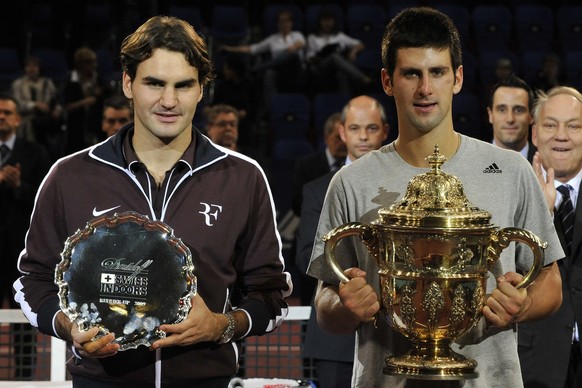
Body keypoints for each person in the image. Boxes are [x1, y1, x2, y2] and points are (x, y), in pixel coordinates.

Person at [13, 15, 292, 387]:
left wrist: (220, 326)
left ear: (201, 89)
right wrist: (66, 325)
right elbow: (33, 281)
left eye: (183, 85)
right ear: (128, 84)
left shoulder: (242, 177)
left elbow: (270, 294)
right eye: (154, 83)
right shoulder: (70, 175)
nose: (169, 101)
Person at [306, 7, 563, 388]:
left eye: (437, 72)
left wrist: (523, 304)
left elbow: (551, 283)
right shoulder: (350, 181)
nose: (425, 88)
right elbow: (325, 300)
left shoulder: (511, 170)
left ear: (457, 78)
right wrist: (344, 306)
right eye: (411, 73)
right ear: (388, 81)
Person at [297, 95, 388, 388]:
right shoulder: (316, 190)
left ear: (385, 131)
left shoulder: (407, 186)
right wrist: (356, 271)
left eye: (371, 128)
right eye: (355, 128)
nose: (363, 136)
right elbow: (306, 255)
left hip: (393, 335)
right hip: (335, 340)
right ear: (342, 132)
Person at [518, 86, 582, 388]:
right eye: (550, 125)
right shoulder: (514, 196)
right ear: (534, 134)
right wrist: (544, 216)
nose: (561, 136)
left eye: (574, 126)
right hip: (536, 361)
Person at [0, 93, 51, 379]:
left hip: (22, 251)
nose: (2, 117)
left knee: (24, 316)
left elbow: (44, 204)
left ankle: (24, 378)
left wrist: (19, 185)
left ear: (18, 119)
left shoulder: (36, 153)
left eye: (7, 112)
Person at [220, 9, 306, 106]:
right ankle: (270, 108)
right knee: (269, 74)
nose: (284, 23)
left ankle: (258, 68)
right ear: (277, 23)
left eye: (286, 21)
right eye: (281, 21)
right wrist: (230, 48)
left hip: (296, 70)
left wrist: (291, 48)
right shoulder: (273, 39)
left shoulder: (297, 35)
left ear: (291, 23)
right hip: (280, 71)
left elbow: (299, 44)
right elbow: (253, 49)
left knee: (292, 54)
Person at [291, 113, 346, 218]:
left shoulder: (355, 165)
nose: (343, 143)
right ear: (326, 138)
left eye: (346, 138)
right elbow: (297, 205)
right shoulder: (306, 165)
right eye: (338, 138)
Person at [306, 10, 370, 95]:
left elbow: (360, 44)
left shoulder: (339, 36)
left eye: (329, 21)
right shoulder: (313, 37)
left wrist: (353, 51)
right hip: (319, 67)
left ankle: (345, 101)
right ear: (320, 22)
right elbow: (309, 59)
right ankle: (362, 78)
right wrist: (321, 56)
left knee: (342, 74)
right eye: (325, 21)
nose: (327, 24)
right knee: (333, 57)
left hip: (337, 68)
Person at [61, 46, 111, 153]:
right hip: (76, 125)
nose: (94, 65)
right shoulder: (71, 79)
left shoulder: (97, 77)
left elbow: (107, 94)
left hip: (95, 123)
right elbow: (66, 106)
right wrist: (84, 102)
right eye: (90, 63)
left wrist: (100, 93)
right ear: (80, 64)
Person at [10, 56, 63, 144]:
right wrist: (35, 105)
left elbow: (57, 100)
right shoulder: (18, 84)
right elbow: (17, 104)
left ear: (39, 68)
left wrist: (57, 110)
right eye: (28, 66)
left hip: (46, 118)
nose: (31, 69)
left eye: (34, 66)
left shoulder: (47, 83)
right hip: (26, 118)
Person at [487, 74, 536, 162]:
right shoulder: (471, 162)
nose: (510, 119)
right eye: (502, 110)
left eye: (518, 110)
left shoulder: (548, 163)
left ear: (531, 116)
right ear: (490, 115)